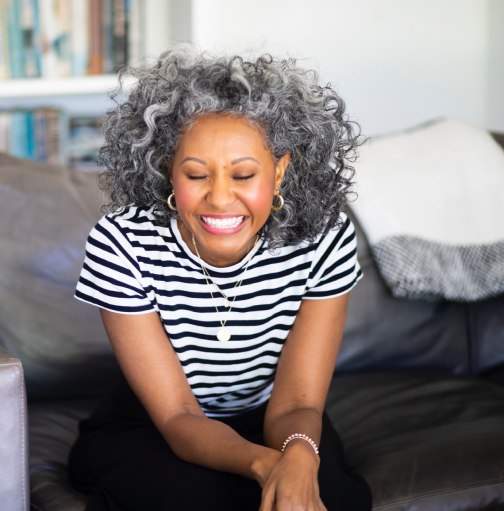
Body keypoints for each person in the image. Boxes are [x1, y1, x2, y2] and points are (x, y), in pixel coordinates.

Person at [68, 46, 372, 511]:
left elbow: (295, 405)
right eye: (195, 174)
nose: (220, 198)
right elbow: (178, 416)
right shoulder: (121, 243)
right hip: (152, 425)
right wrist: (263, 466)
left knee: (327, 497)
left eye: (244, 174)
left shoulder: (324, 237)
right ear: (168, 171)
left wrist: (295, 456)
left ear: (280, 170)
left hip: (277, 418)